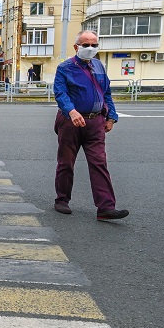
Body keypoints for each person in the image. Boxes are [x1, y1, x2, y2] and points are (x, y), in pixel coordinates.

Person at [53, 30, 128, 220]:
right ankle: (62, 199)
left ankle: (105, 207)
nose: (90, 48)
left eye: (94, 45)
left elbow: (106, 93)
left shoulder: (99, 66)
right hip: (71, 122)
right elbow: (61, 94)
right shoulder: (65, 68)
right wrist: (71, 111)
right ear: (76, 47)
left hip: (95, 122)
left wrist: (111, 116)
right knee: (66, 162)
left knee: (99, 163)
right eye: (86, 45)